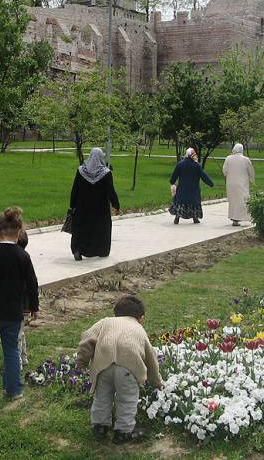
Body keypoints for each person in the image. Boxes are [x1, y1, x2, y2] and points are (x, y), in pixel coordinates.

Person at [76, 294, 164, 444]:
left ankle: (100, 425)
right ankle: (123, 431)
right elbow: (151, 358)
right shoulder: (139, 329)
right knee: (127, 400)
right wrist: (157, 381)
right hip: (129, 369)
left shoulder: (105, 322)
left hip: (103, 366)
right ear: (140, 318)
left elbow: (87, 339)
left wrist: (82, 360)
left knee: (102, 396)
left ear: (116, 313)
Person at [0, 207, 39, 400]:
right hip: (13, 313)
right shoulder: (23, 256)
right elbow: (32, 284)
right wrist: (34, 306)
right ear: (19, 233)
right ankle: (14, 389)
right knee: (11, 348)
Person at [69, 147, 120, 260]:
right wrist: (116, 205)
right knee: (100, 229)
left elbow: (75, 190)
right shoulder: (106, 173)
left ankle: (78, 250)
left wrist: (72, 205)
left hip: (82, 207)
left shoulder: (81, 171)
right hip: (100, 209)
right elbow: (110, 191)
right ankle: (101, 250)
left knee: (81, 228)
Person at [169, 147, 214, 224]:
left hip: (182, 190)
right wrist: (211, 184)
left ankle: (177, 218)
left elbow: (173, 178)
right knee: (194, 203)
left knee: (180, 203)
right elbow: (204, 177)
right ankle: (195, 218)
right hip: (194, 190)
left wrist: (172, 182)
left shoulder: (180, 164)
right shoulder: (197, 166)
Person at [222, 143, 255, 226]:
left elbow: (224, 171)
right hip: (242, 184)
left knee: (233, 201)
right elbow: (251, 171)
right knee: (243, 200)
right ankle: (242, 217)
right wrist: (252, 180)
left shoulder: (228, 158)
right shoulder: (246, 159)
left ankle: (234, 219)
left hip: (230, 184)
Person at [16, 229, 32, 369]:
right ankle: (24, 357)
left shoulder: (18, 259)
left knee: (17, 335)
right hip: (26, 305)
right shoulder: (26, 257)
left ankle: (17, 364)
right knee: (21, 332)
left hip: (19, 305)